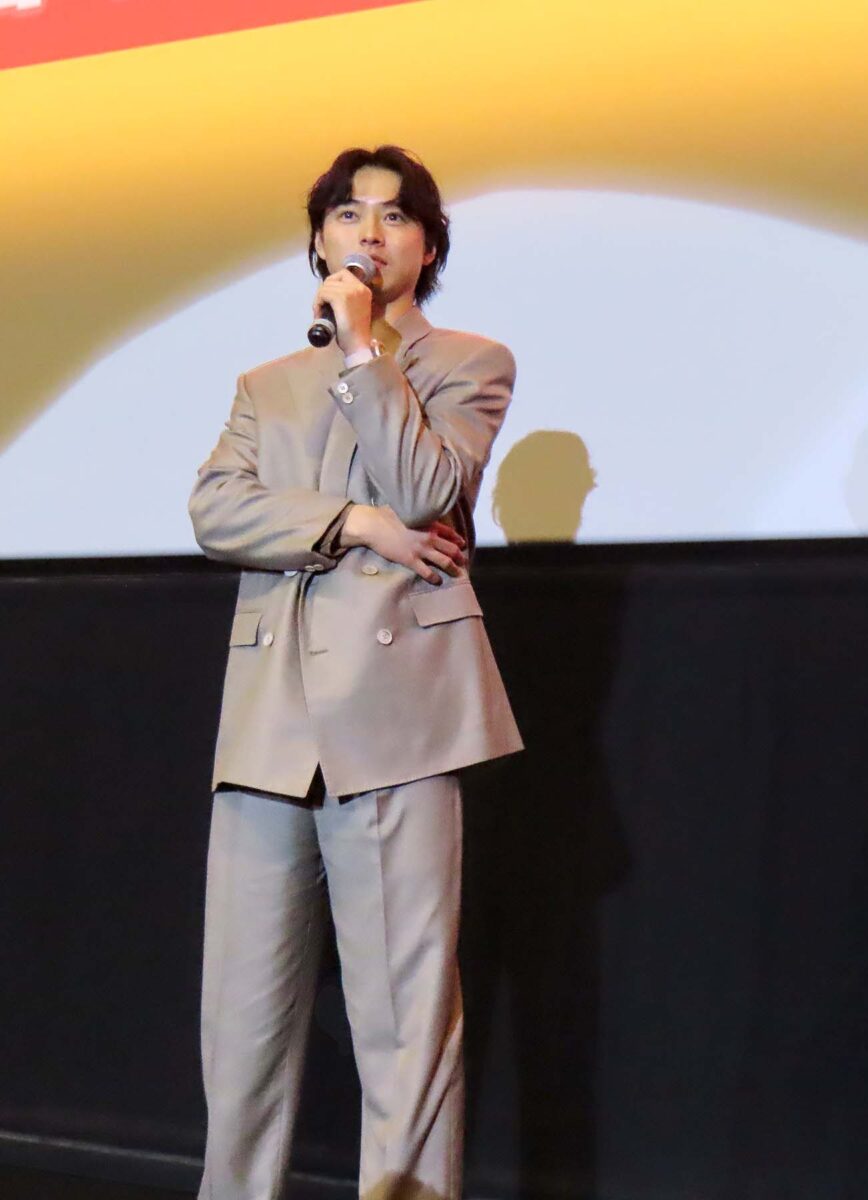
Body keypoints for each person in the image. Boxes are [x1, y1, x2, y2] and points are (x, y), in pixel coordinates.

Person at [188, 144, 523, 1199]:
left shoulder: (468, 363)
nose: (369, 232)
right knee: (241, 1024)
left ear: (428, 247)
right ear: (318, 240)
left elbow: (425, 488)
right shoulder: (264, 385)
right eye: (346, 213)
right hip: (269, 724)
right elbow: (215, 511)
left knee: (404, 1024)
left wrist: (366, 351)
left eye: (394, 216)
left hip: (396, 718)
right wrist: (352, 523)